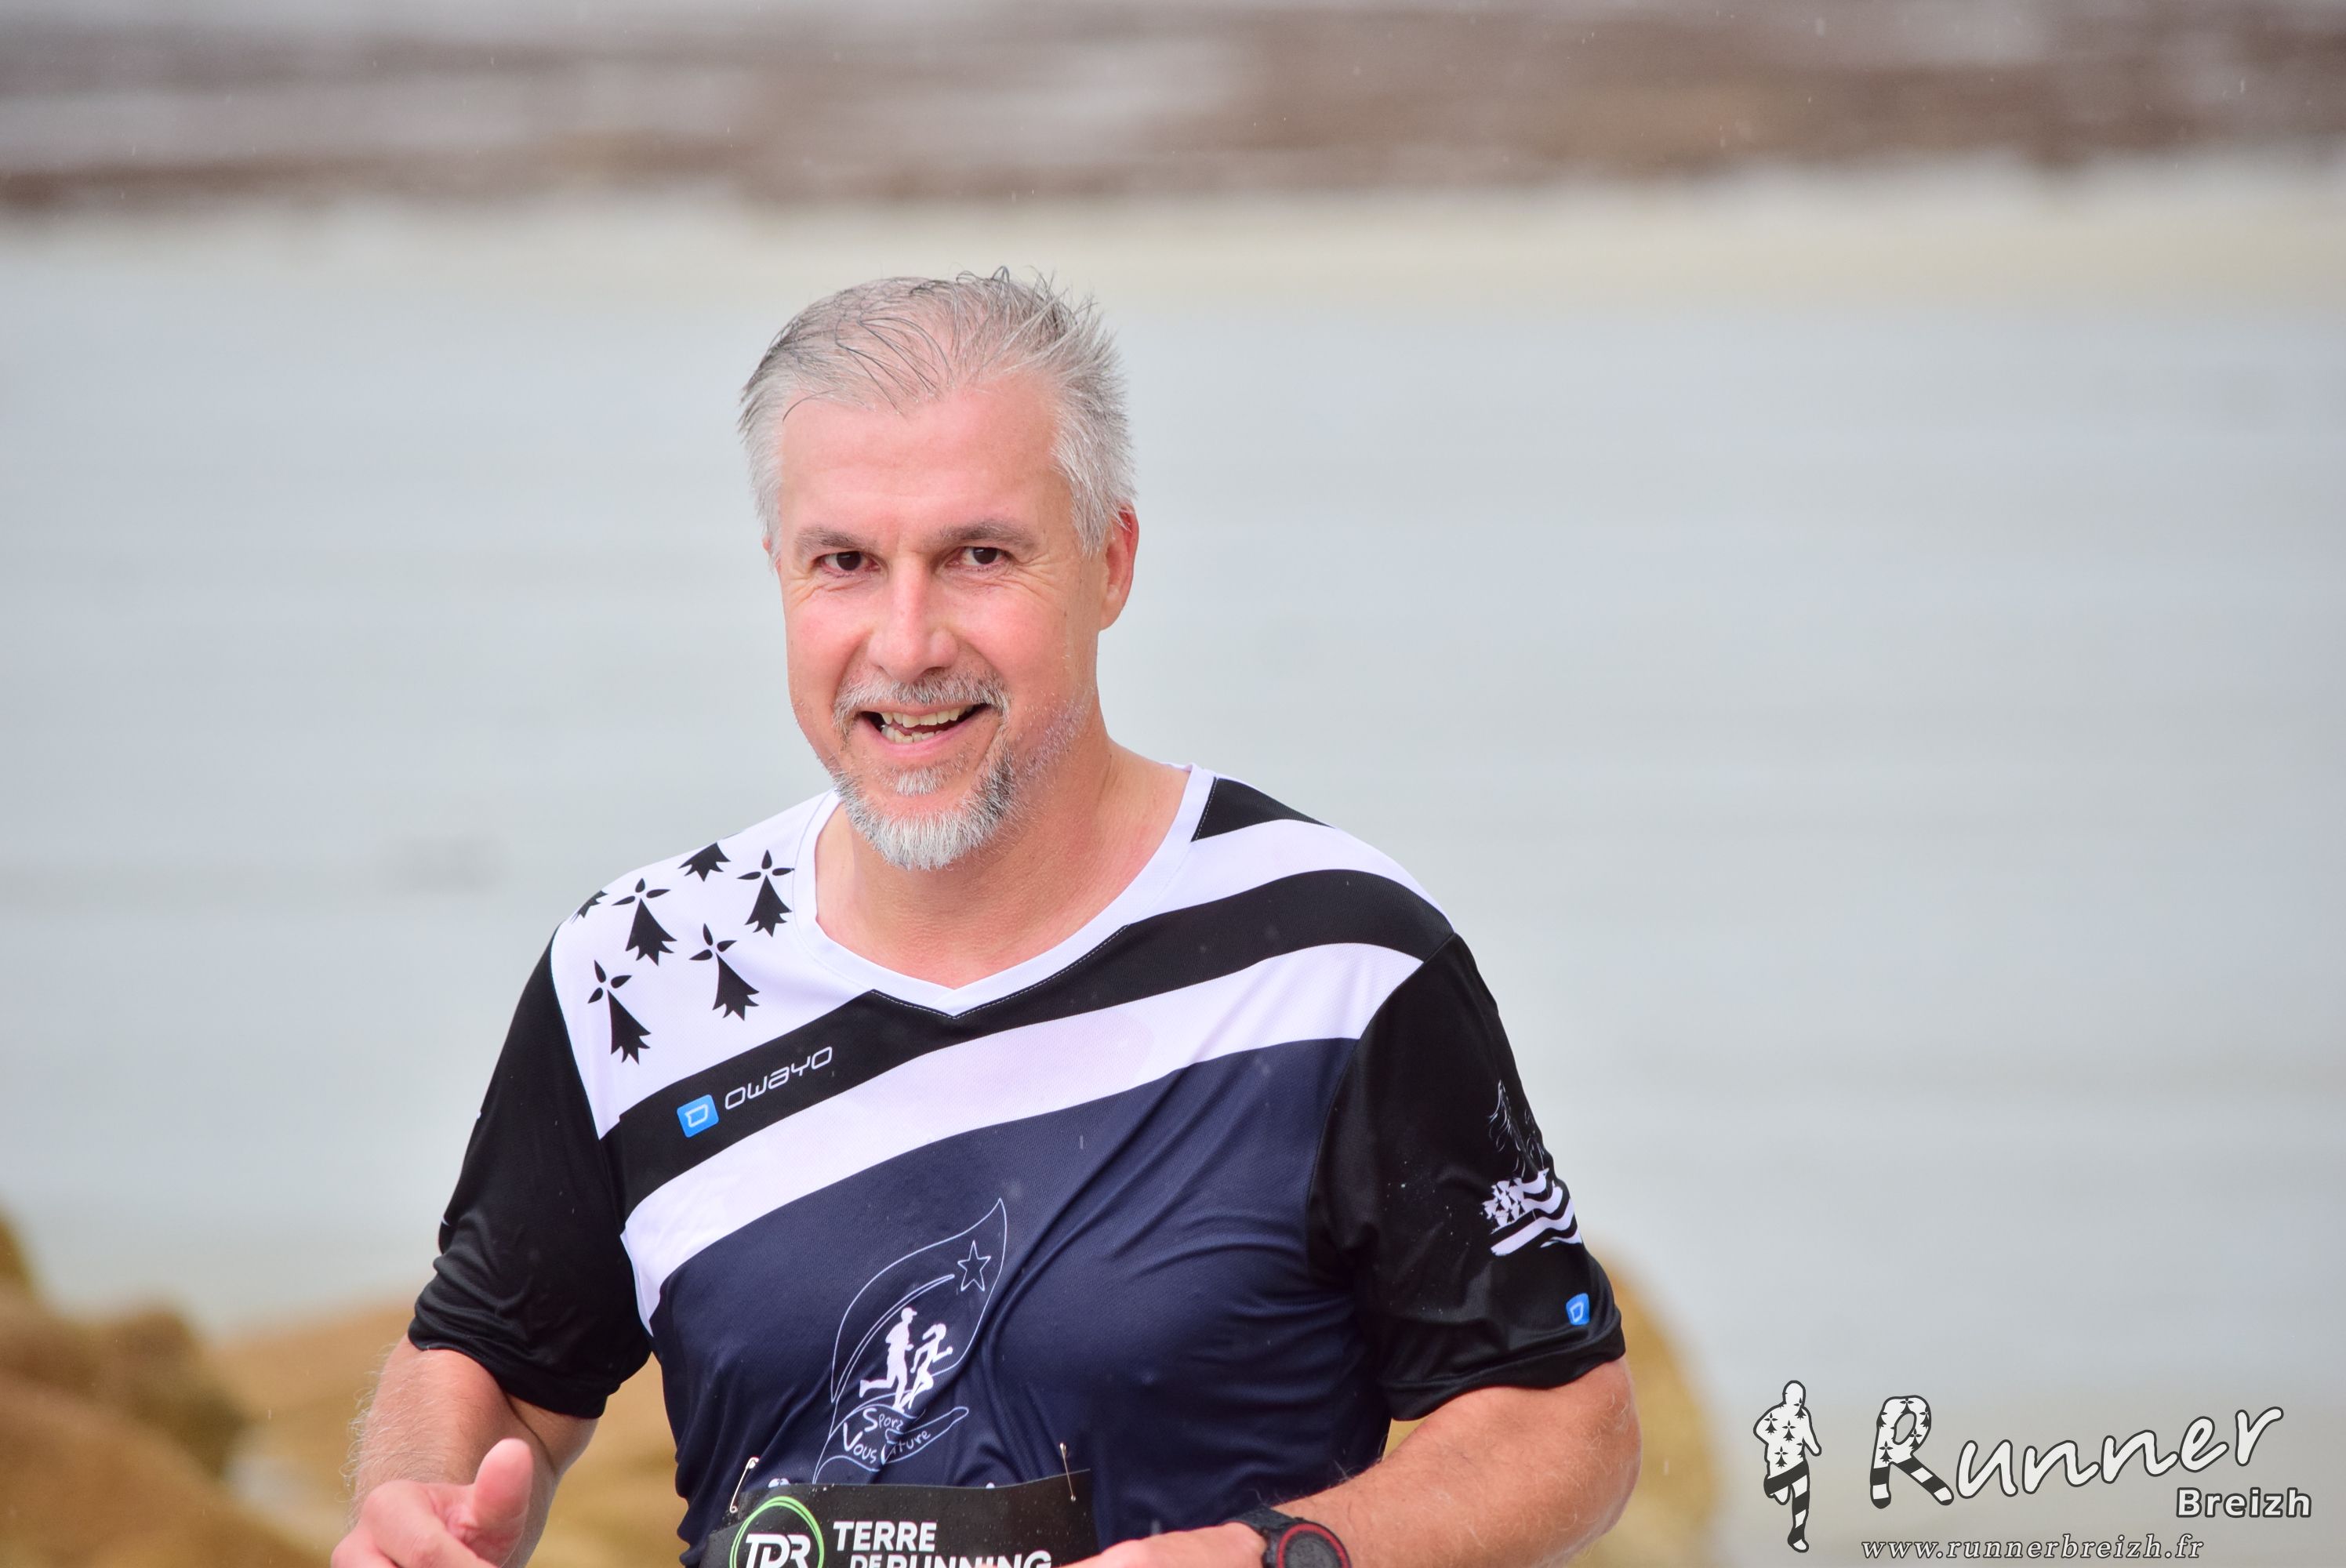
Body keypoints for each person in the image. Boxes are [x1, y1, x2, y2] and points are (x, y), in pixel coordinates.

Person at [335, 271, 1640, 1568]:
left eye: (980, 557)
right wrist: (421, 1507)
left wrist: (1272, 1556)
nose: (908, 646)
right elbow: (491, 1368)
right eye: (846, 563)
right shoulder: (642, 971)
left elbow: (1564, 1422)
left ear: (1110, 563)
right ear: (779, 574)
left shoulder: (1338, 964)